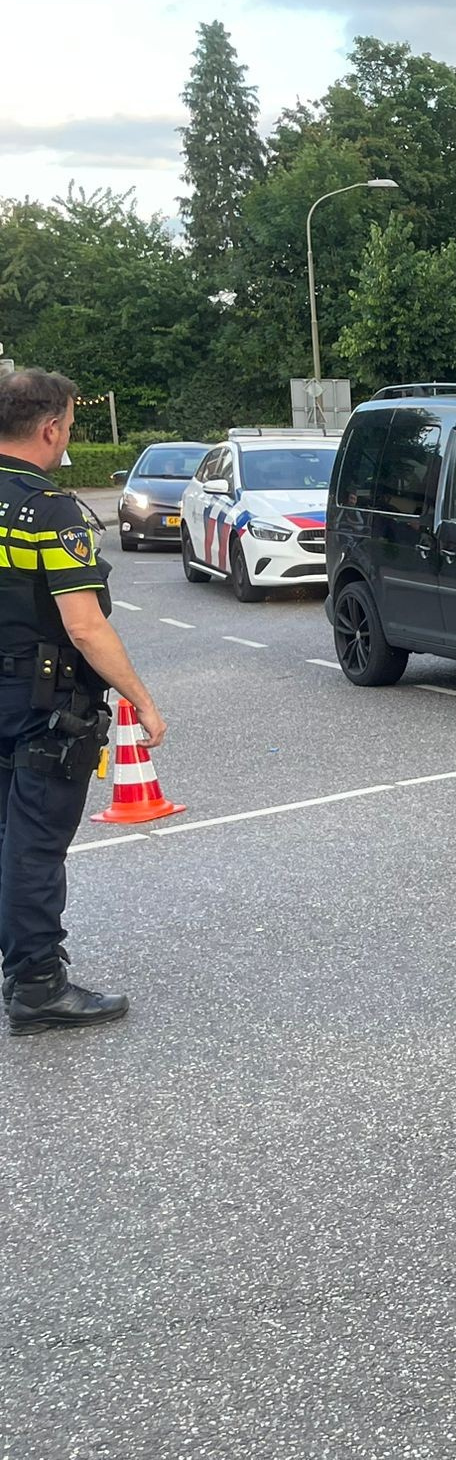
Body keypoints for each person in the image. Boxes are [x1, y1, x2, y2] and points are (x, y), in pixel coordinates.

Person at [0, 369, 165, 1035]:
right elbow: (84, 625)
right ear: (50, 428)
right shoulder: (50, 510)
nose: (69, 434)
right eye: (70, 423)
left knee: (5, 840)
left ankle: (21, 963)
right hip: (42, 702)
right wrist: (143, 701)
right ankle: (37, 984)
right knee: (34, 844)